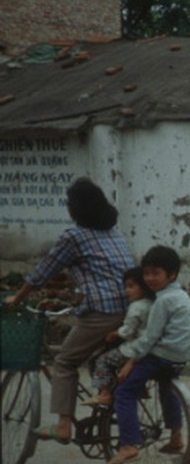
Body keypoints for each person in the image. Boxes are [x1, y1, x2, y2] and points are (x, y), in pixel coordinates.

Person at [3, 178, 133, 445]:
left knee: (64, 362)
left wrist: (17, 297)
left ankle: (63, 425)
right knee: (102, 358)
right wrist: (70, 298)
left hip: (103, 313)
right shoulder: (113, 233)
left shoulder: (74, 236)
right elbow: (103, 274)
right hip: (130, 309)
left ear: (76, 208)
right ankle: (111, 406)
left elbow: (44, 270)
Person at [103, 245, 190, 464]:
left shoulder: (162, 301)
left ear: (171, 274)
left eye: (156, 273)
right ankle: (176, 435)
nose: (150, 278)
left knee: (124, 392)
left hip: (162, 355)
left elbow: (149, 339)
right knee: (165, 387)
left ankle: (128, 444)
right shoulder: (181, 295)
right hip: (183, 355)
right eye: (146, 273)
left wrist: (130, 362)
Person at [83, 267, 156, 407]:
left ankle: (104, 393)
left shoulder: (136, 307)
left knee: (102, 360)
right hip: (149, 348)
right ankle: (141, 389)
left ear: (144, 287)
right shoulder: (153, 303)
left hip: (133, 348)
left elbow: (128, 330)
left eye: (131, 286)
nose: (126, 291)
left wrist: (114, 334)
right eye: (126, 287)